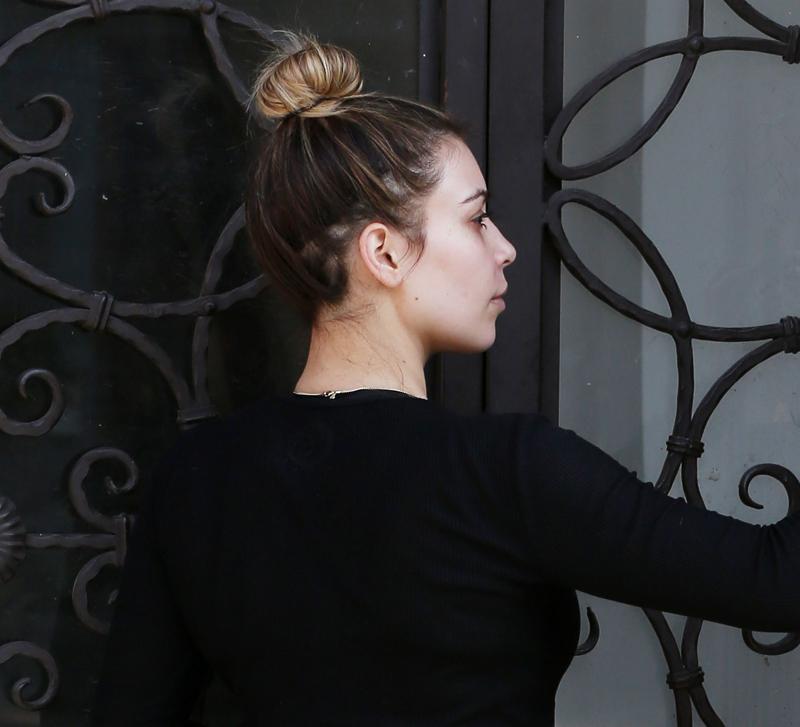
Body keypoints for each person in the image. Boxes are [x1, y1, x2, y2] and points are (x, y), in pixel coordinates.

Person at [91, 30, 800, 727]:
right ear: (386, 252)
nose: (506, 248)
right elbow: (779, 577)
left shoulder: (194, 479)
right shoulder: (507, 472)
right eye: (478, 217)